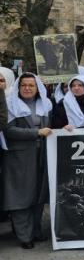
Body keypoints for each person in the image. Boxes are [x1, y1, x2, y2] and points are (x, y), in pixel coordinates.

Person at [2, 73, 52, 248]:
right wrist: (36, 132)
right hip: (19, 158)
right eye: (24, 85)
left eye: (31, 85)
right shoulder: (10, 104)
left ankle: (36, 231)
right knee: (21, 197)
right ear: (18, 87)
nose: (27, 88)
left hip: (41, 156)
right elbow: (8, 131)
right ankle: (25, 237)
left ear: (37, 88)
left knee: (38, 195)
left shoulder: (46, 104)